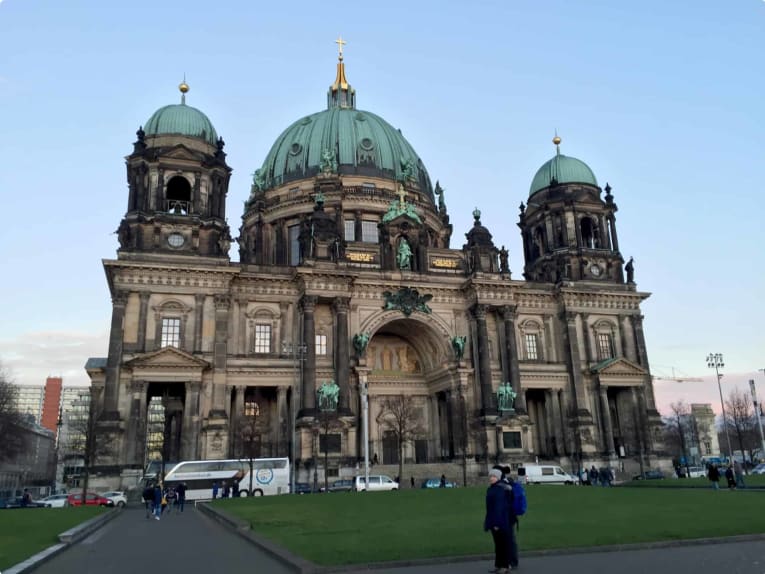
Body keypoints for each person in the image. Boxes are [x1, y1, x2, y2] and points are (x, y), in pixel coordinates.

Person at [484, 468, 511, 574]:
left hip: (500, 521)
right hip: (493, 519)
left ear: (498, 477)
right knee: (498, 544)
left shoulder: (500, 489)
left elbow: (499, 507)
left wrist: (496, 523)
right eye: (490, 476)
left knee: (502, 544)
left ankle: (504, 566)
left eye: (493, 476)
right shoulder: (491, 488)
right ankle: (498, 565)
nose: (491, 478)